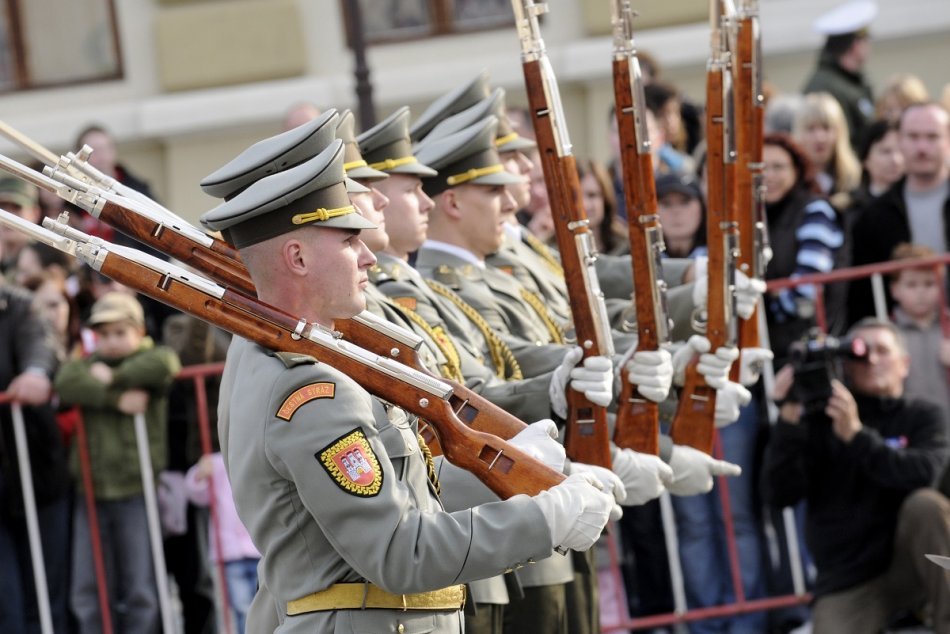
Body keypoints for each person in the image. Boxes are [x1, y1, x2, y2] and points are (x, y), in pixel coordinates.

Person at [198, 137, 617, 633]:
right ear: (298, 257)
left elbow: (404, 491)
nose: (369, 257)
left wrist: (505, 469)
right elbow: (400, 551)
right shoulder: (311, 391)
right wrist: (543, 521)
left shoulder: (285, 359)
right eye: (349, 240)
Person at [763, 318, 950, 632]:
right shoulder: (819, 422)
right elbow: (778, 494)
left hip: (915, 563)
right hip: (850, 577)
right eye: (861, 353)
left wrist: (856, 435)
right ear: (845, 365)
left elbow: (922, 474)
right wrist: (788, 420)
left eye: (883, 351)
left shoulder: (924, 415)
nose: (873, 360)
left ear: (905, 364)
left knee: (926, 505)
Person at [54, 291, 181, 634]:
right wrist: (115, 397)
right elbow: (65, 381)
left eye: (119, 332)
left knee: (140, 585)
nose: (110, 341)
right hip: (91, 490)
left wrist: (114, 377)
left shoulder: (148, 360)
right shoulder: (87, 366)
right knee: (88, 586)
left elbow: (165, 362)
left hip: (135, 487)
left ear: (139, 332)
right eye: (104, 334)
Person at [0, 280, 71, 634]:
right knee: (7, 603)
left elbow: (41, 346)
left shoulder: (20, 305)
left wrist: (35, 372)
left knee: (45, 595)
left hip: (37, 472)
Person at [849, 102, 950, 324]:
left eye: (932, 137)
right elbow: (863, 297)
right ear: (900, 141)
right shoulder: (874, 217)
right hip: (903, 341)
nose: (922, 148)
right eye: (913, 137)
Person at [761, 133, 844, 365]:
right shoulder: (755, 216)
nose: (768, 175)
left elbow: (806, 289)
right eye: (761, 167)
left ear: (796, 170)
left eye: (778, 167)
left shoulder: (815, 210)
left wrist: (768, 303)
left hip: (810, 342)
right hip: (770, 346)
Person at [185, 452, 260, 634]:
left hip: (257, 549)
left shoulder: (251, 456)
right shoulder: (217, 462)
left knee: (263, 607)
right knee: (242, 608)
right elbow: (196, 494)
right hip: (230, 553)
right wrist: (199, 474)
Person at [888, 243, 950, 426]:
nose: (921, 292)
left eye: (929, 283)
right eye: (911, 285)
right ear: (895, 290)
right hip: (911, 430)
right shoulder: (888, 333)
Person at [802, 0, 878, 149]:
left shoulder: (850, 82)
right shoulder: (827, 86)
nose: (869, 47)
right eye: (866, 40)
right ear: (855, 45)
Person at [792, 92, 861, 208]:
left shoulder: (856, 180)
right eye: (811, 129)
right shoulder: (790, 181)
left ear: (840, 132)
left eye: (826, 127)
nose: (820, 138)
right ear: (799, 133)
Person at [654, 173, 707, 259]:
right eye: (666, 203)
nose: (676, 211)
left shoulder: (721, 257)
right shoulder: (637, 259)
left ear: (701, 207)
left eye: (684, 202)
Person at [0, 177, 41, 280]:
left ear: (35, 214)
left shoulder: (44, 257)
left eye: (16, 207)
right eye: (2, 207)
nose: (7, 215)